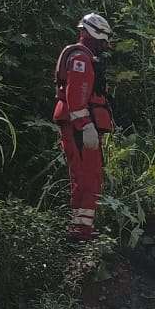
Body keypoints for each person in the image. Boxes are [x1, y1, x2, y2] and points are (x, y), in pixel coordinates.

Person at [53, 13, 114, 242]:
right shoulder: (80, 59)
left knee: (87, 176)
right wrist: (85, 124)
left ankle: (81, 228)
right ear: (91, 35)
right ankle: (80, 231)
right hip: (80, 127)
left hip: (81, 125)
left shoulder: (85, 57)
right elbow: (76, 95)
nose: (105, 45)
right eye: (103, 40)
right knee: (87, 176)